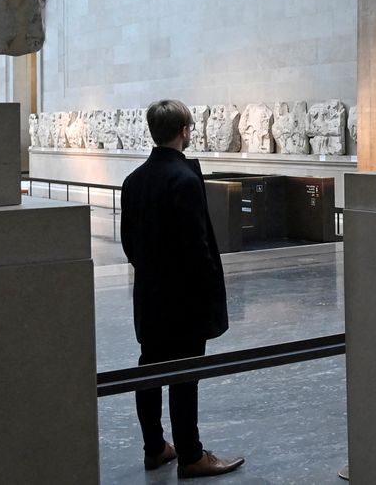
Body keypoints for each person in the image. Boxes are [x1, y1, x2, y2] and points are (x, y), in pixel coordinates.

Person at [121, 99, 244, 477]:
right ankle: (191, 455)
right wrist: (209, 291)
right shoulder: (185, 180)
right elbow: (197, 247)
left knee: (150, 368)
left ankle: (155, 447)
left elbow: (129, 243)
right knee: (184, 375)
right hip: (184, 297)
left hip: (150, 294)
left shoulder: (133, 180)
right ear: (185, 131)